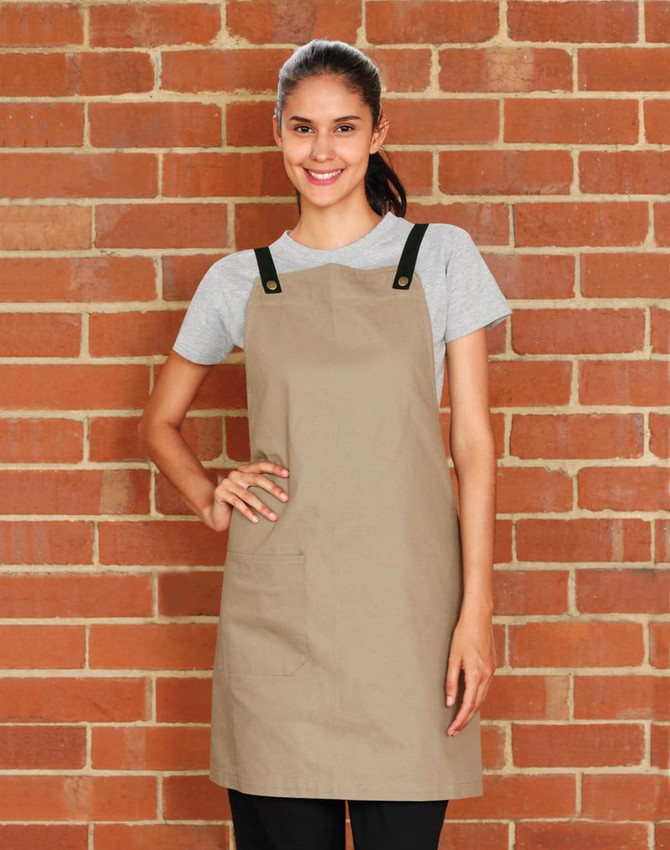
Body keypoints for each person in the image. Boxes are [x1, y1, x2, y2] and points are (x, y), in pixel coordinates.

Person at [138, 38, 512, 850]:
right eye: (303, 128)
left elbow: (474, 446)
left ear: (379, 133)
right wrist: (209, 493)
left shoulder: (439, 256)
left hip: (410, 619)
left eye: (344, 128)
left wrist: (475, 609)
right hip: (281, 619)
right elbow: (159, 423)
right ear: (278, 134)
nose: (322, 150)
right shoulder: (241, 279)